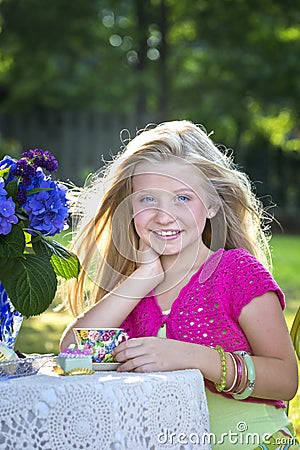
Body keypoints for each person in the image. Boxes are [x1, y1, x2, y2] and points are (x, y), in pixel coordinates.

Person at [60, 120, 299, 449]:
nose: (163, 215)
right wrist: (141, 279)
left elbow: (286, 380)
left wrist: (191, 356)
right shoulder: (134, 293)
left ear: (213, 204)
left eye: (182, 198)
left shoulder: (237, 272)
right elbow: (73, 353)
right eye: (147, 200)